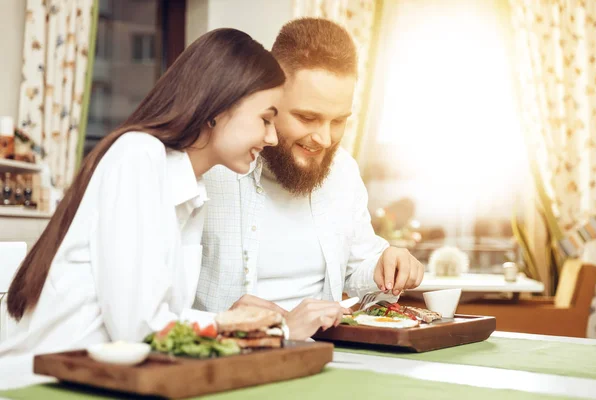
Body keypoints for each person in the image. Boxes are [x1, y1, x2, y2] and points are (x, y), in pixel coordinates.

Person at [0, 29, 287, 387]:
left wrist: (236, 324)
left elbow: (155, 323)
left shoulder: (191, 191)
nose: (273, 138)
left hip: (111, 381)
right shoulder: (137, 156)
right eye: (266, 118)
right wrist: (229, 325)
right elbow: (136, 328)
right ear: (218, 108)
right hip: (43, 385)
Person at [196, 18, 425, 331]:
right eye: (307, 117)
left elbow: (358, 264)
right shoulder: (209, 168)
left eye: (338, 121)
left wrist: (384, 265)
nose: (325, 139)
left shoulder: (342, 170)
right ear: (269, 96)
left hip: (323, 357)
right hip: (224, 361)